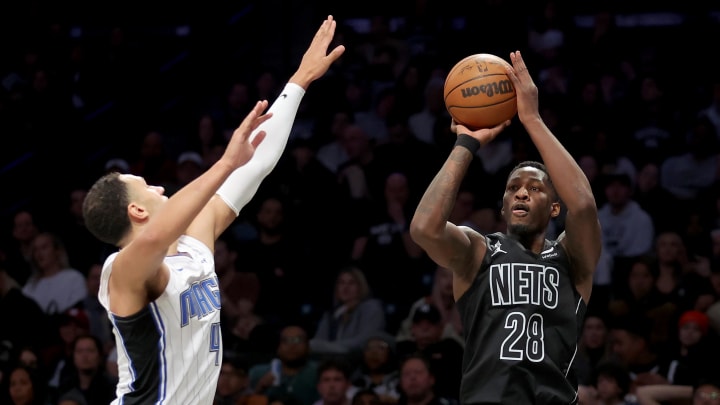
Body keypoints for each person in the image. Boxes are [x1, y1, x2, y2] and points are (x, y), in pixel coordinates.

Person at [80, 16, 345, 404]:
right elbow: (155, 237)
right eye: (146, 185)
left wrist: (299, 82)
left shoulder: (193, 242)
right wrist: (224, 164)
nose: (159, 186)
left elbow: (254, 165)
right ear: (137, 210)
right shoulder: (121, 272)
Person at [408, 50, 602, 404]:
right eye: (513, 188)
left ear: (555, 207)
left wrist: (532, 119)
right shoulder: (479, 251)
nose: (522, 193)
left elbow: (585, 204)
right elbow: (424, 228)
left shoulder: (572, 259)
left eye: (536, 188)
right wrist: (465, 143)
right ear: (503, 206)